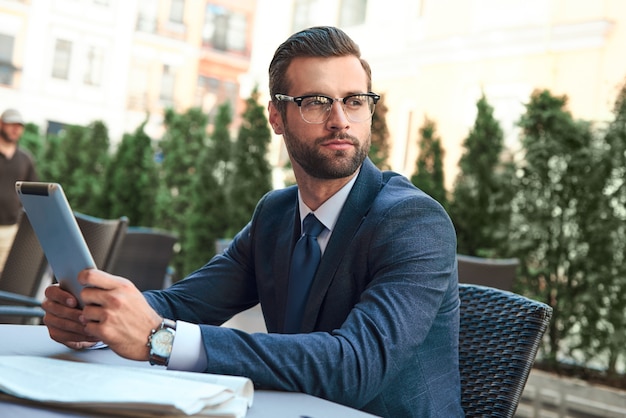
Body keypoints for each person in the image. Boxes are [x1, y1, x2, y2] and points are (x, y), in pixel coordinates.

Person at [42, 26, 464, 417]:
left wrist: (161, 340)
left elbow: (354, 367)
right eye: (317, 101)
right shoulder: (276, 216)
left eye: (355, 101)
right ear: (276, 118)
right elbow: (183, 304)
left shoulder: (413, 221)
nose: (340, 120)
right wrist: (99, 320)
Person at [0, 108, 38, 272]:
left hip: (10, 230)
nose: (16, 129)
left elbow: (32, 194)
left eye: (19, 125)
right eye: (11, 124)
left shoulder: (26, 158)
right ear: (1, 124)